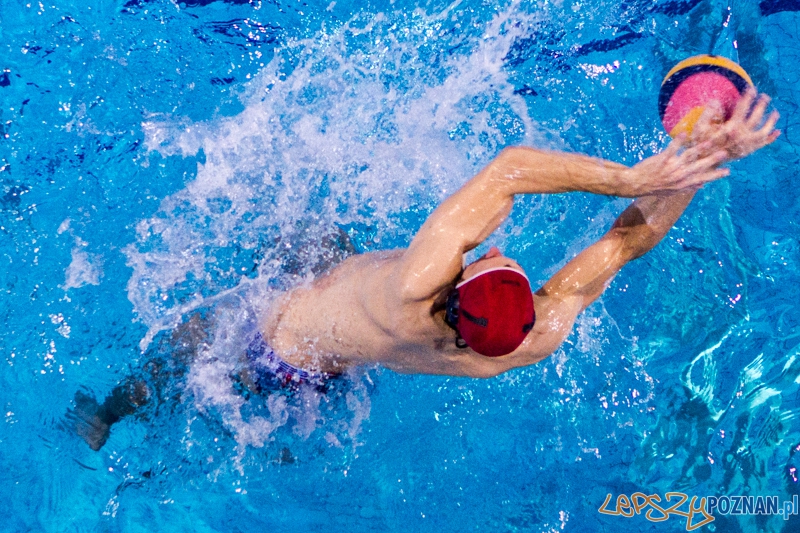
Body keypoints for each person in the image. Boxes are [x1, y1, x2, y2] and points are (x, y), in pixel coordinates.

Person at [69, 90, 779, 450]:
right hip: (336, 366)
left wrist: (627, 178)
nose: (500, 251)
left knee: (185, 351)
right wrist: (703, 157)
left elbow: (510, 169)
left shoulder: (412, 283)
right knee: (329, 251)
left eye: (489, 262)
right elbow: (625, 246)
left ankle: (101, 415)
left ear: (453, 286)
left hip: (271, 336)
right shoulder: (535, 336)